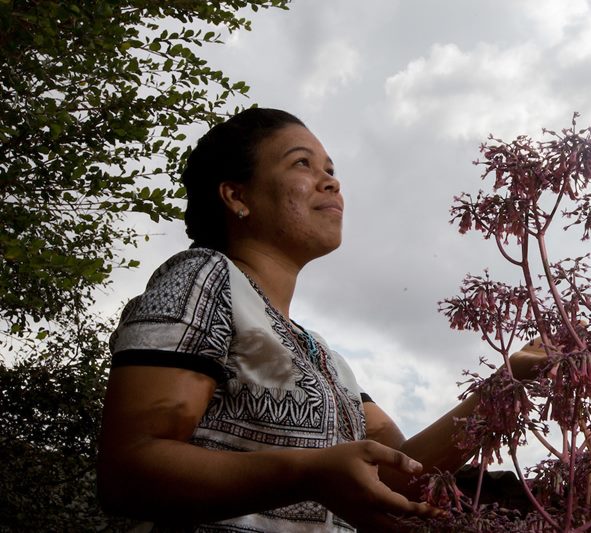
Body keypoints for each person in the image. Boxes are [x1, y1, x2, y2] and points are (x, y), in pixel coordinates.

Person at [97, 108, 546, 532]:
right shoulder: (205, 279)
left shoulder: (327, 360)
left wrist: (513, 377)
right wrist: (308, 473)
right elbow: (130, 472)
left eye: (330, 171)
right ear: (237, 195)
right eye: (302, 165)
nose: (329, 182)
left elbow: (399, 475)